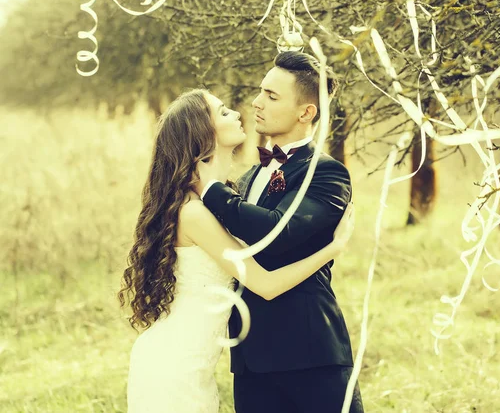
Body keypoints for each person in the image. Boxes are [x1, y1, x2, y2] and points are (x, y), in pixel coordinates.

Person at [119, 88, 355, 413]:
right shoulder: (194, 213)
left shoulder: (221, 198)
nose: (237, 113)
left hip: (190, 366)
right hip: (174, 369)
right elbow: (265, 284)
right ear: (203, 132)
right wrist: (333, 248)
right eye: (223, 111)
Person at [196, 51, 364, 413]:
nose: (256, 103)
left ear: (306, 112)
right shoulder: (250, 176)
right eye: (260, 92)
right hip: (251, 361)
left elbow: (275, 232)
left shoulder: (327, 174)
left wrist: (209, 188)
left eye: (272, 96)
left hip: (310, 355)